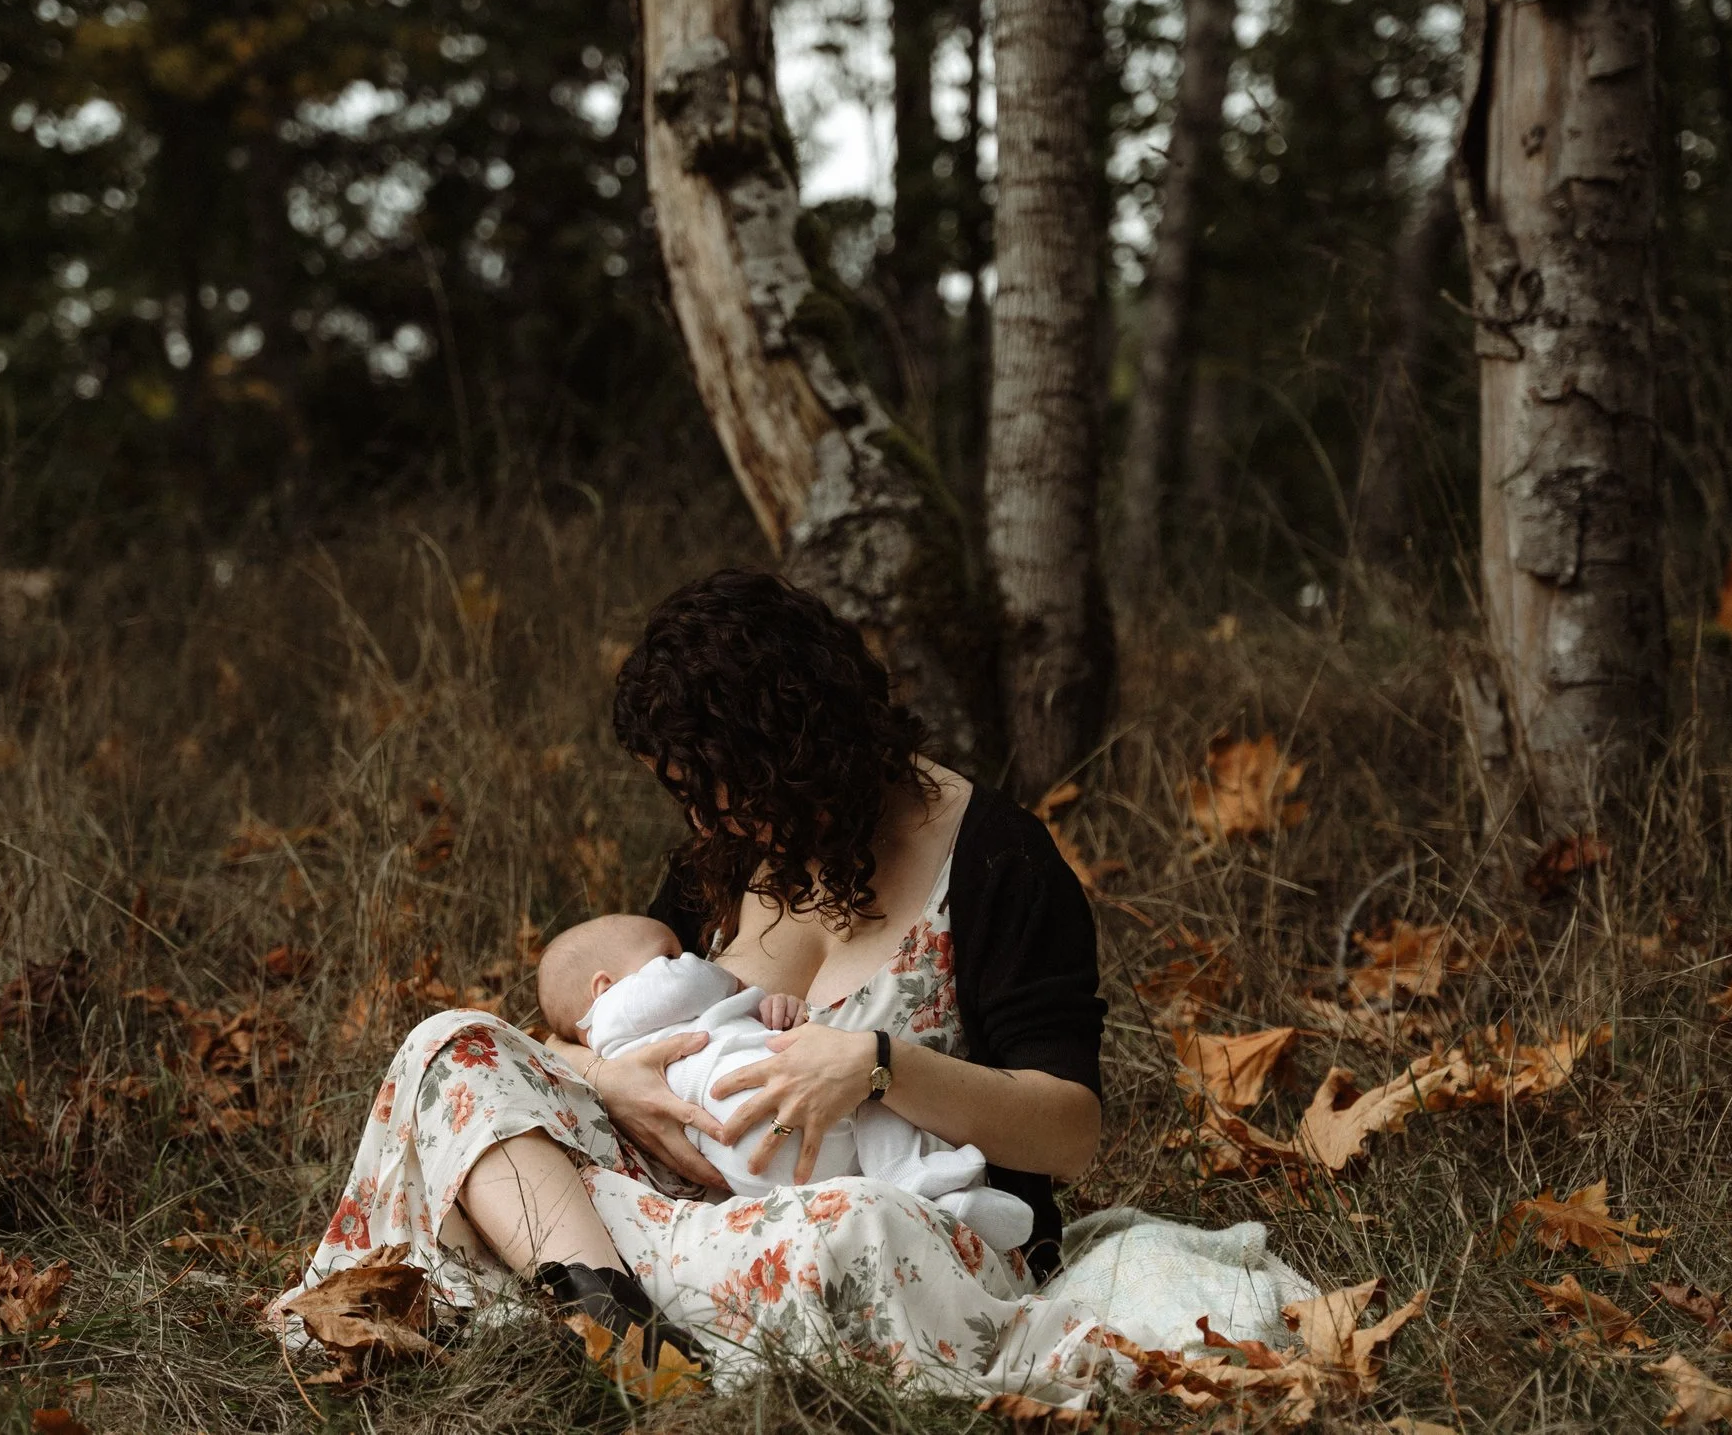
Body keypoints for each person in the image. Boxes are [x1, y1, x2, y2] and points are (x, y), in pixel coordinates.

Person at [271, 569, 1118, 1397]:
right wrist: (613, 1081)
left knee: (857, 1233)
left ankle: (546, 1301)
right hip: (672, 1211)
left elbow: (1070, 1131)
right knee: (451, 1047)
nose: (710, 824)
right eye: (692, 802)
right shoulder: (729, 852)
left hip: (866, 1221)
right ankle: (613, 1320)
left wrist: (877, 1065)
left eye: (728, 795)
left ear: (801, 750)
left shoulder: (999, 861)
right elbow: (586, 1027)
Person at [537, 913, 1035, 1251]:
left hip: (745, 1172)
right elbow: (692, 983)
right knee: (871, 1100)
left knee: (859, 1089)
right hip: (758, 1117)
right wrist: (736, 985)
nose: (687, 958)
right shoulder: (617, 1012)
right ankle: (930, 1186)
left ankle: (933, 1211)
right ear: (602, 987)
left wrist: (778, 1010)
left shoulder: (633, 1030)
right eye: (669, 953)